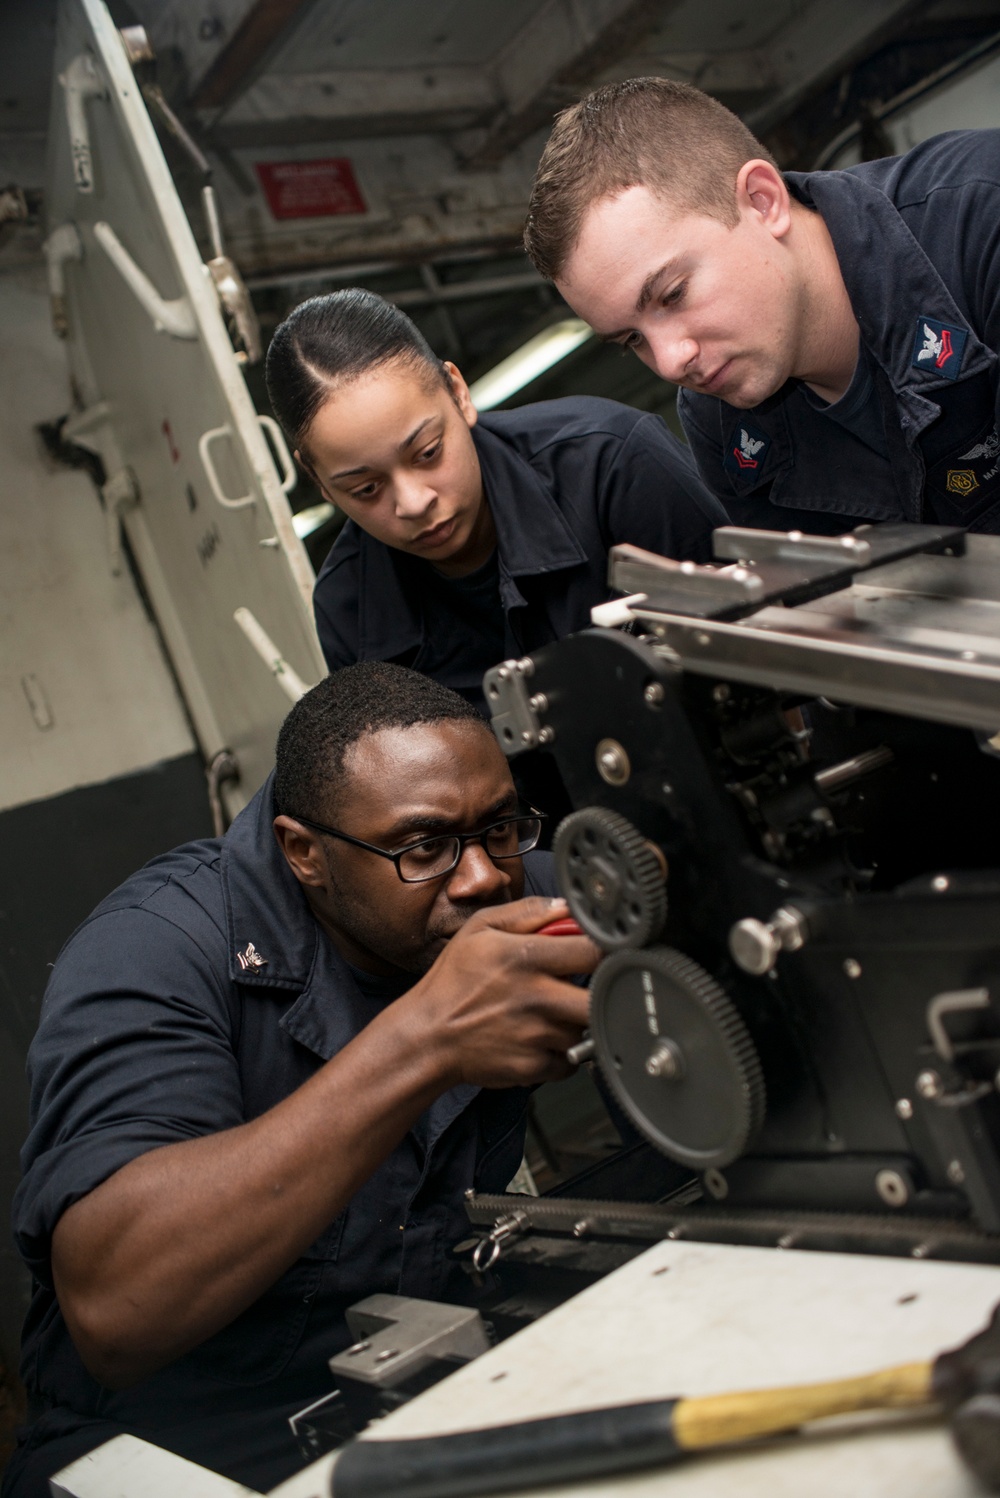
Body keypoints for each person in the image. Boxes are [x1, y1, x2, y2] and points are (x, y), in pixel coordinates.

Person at [4, 663, 597, 1497]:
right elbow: (116, 1310)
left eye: (500, 828)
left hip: (405, 1384)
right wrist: (422, 1044)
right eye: (422, 847)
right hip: (176, 1445)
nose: (482, 880)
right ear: (304, 852)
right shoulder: (157, 947)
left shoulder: (506, 884)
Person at [524, 78, 1000, 537]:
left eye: (673, 294)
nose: (671, 362)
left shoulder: (981, 227)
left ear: (763, 201)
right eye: (633, 339)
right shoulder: (721, 422)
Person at [265, 289, 729, 705]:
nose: (412, 502)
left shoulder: (613, 463)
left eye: (427, 453)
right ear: (319, 480)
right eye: (366, 489)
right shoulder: (350, 608)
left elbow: (750, 637)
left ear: (458, 393)